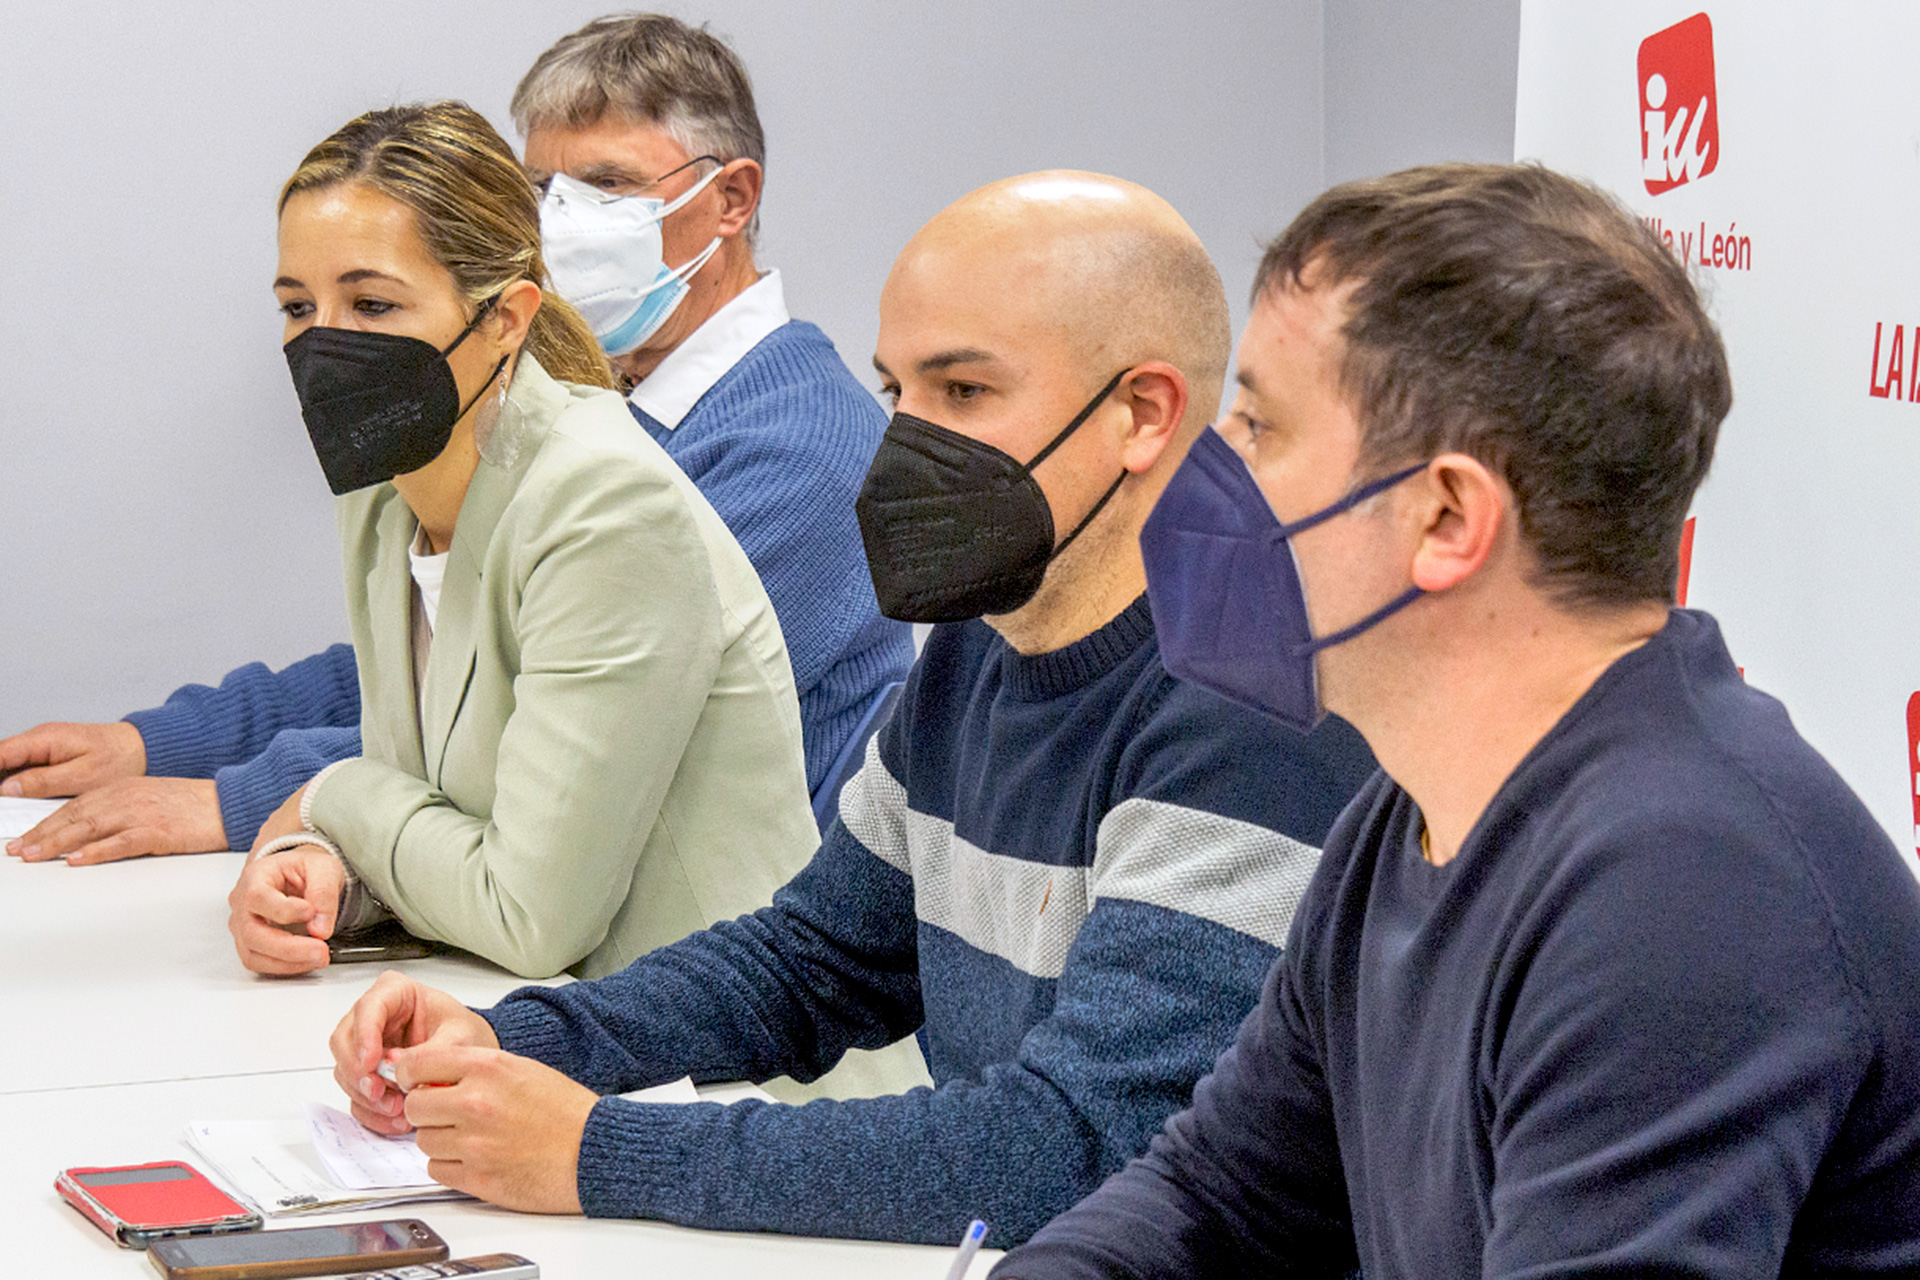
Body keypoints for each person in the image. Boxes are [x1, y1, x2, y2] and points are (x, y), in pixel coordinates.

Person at [321, 172, 1377, 1246]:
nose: (907, 441)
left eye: (962, 393)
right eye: (897, 393)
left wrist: (596, 1152)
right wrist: (523, 1042)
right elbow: (815, 959)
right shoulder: (983, 640)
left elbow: (1074, 1144)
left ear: (1142, 414)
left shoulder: (1249, 707)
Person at [994, 164, 1920, 1279]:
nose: (1209, 472)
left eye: (1260, 427)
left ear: (1445, 517)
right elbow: (1217, 1194)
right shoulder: (1416, 809)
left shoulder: (1683, 883)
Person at [0, 12, 909, 864]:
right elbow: (432, 665)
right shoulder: (601, 408)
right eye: (543, 188)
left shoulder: (799, 454)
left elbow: (519, 728)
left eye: (609, 185)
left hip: (729, 979)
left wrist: (231, 803)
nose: (559, 222)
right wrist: (162, 743)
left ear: (731, 199)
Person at [222, 100, 816, 983]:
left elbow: (529, 916)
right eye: (298, 305)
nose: (325, 343)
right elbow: (440, 808)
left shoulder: (605, 504)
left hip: (725, 1079)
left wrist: (331, 796)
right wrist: (331, 877)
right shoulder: (382, 493)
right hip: (533, 1040)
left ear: (506, 318)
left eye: (373, 302)